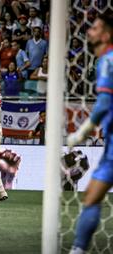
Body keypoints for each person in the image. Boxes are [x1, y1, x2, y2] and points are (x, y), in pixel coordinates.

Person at [67, 13, 113, 254]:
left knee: (91, 198)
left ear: (105, 35)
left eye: (94, 27)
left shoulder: (108, 59)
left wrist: (82, 131)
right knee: (91, 197)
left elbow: (104, 102)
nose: (89, 31)